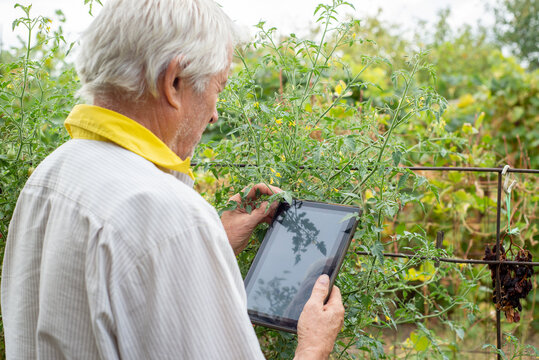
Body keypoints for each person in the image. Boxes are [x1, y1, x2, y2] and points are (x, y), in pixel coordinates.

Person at [0, 0, 345, 358]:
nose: (214, 114)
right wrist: (314, 347)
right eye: (219, 87)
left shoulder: (52, 172)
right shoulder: (169, 216)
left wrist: (211, 244)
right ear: (174, 80)